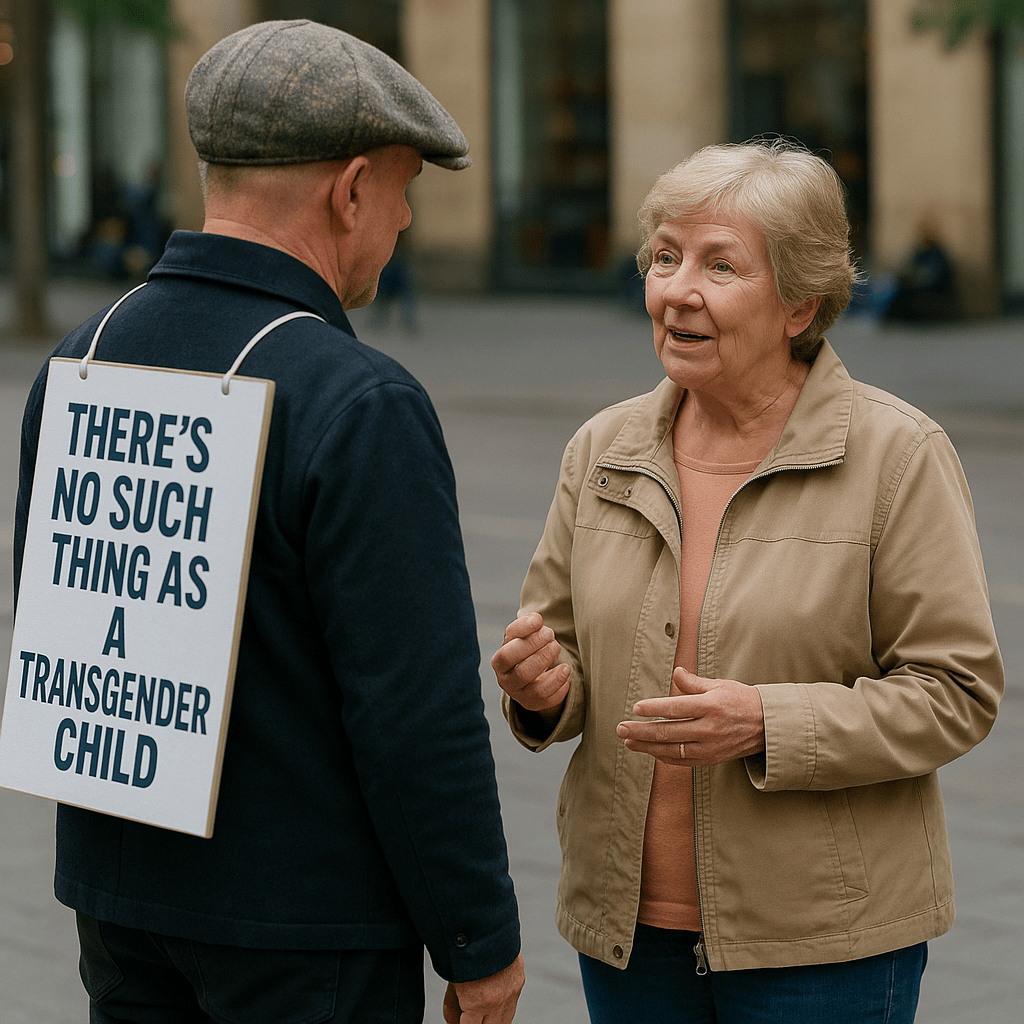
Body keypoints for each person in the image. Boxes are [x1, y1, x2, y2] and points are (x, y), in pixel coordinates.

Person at [13, 20, 523, 1024]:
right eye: (405, 190)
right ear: (350, 189)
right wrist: (478, 939)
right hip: (305, 933)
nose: (406, 222)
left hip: (122, 904)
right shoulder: (358, 398)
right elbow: (414, 711)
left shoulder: (83, 356)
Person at [491, 139, 1002, 1023]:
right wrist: (543, 691)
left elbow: (957, 691)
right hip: (628, 932)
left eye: (719, 265)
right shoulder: (603, 448)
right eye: (664, 257)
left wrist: (767, 722)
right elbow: (563, 651)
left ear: (800, 302)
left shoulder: (896, 454)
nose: (676, 288)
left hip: (824, 942)